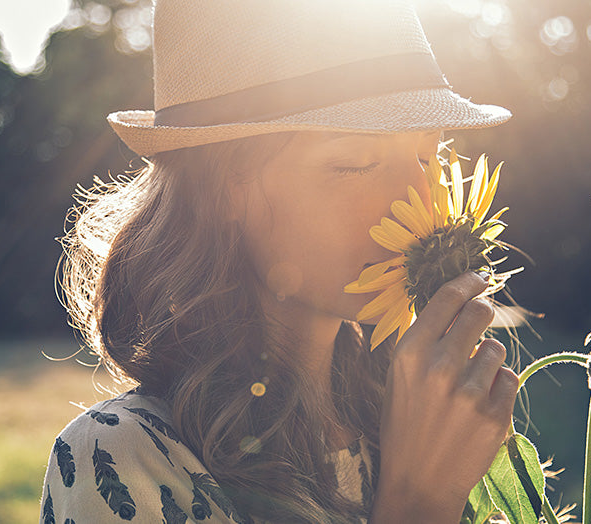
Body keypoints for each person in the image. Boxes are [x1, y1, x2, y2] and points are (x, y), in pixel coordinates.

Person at [41, 0, 519, 522]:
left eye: (430, 156)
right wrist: (418, 501)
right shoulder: (122, 462)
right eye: (353, 164)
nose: (420, 198)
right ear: (221, 190)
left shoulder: (422, 417)